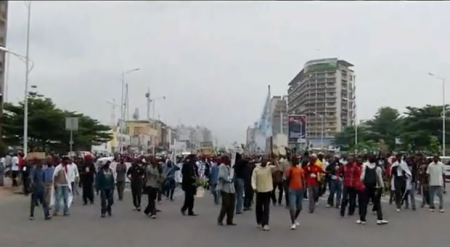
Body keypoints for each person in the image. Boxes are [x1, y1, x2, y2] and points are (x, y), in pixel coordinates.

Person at [358, 155, 388, 225]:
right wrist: (382, 187)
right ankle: (379, 219)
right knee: (377, 203)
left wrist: (362, 183)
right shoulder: (378, 168)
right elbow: (380, 178)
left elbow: (362, 177)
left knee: (364, 203)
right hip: (375, 187)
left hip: (366, 187)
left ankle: (362, 219)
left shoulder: (365, 166)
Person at [252, 157, 276, 231]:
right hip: (259, 191)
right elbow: (253, 179)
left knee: (266, 208)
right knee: (259, 207)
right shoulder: (256, 169)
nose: (265, 162)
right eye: (263, 160)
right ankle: (259, 221)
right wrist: (254, 187)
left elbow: (277, 168)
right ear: (261, 161)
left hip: (268, 190)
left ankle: (265, 223)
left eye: (266, 160)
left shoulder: (269, 168)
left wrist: (274, 160)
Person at [285, 157, 304, 230]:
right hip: (292, 189)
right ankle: (293, 223)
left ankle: (294, 219)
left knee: (299, 207)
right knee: (292, 207)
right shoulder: (289, 170)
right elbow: (287, 180)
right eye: (296, 160)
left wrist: (304, 188)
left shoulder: (300, 169)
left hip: (300, 189)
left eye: (298, 160)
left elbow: (302, 179)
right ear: (293, 161)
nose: (298, 161)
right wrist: (287, 189)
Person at [217, 156, 236, 226]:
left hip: (231, 188)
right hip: (225, 188)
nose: (228, 160)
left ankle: (229, 220)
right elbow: (221, 176)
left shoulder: (229, 167)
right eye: (227, 159)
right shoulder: (222, 166)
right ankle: (220, 219)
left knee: (232, 205)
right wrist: (228, 179)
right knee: (225, 205)